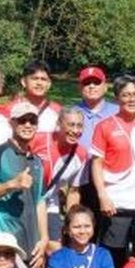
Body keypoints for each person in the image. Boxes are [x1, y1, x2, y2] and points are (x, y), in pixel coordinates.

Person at [91, 73, 135, 264]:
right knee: (113, 258)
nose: (132, 99)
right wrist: (103, 196)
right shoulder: (104, 126)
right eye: (126, 95)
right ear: (117, 97)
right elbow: (96, 163)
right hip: (116, 204)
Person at [0, 102, 48, 268]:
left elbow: (40, 201)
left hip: (30, 244)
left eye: (32, 121)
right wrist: (11, 184)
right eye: (22, 120)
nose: (28, 125)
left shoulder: (37, 161)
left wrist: (43, 239)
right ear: (12, 123)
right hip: (2, 244)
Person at [31, 105, 88, 245]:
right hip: (25, 202)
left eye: (79, 126)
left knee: (54, 248)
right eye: (71, 125)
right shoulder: (37, 139)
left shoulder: (81, 153)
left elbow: (74, 192)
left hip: (49, 203)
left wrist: (71, 222)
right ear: (58, 124)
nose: (75, 131)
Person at [75, 64, 119, 212]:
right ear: (80, 88)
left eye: (96, 82)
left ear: (105, 87)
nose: (92, 86)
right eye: (87, 83)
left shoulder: (117, 112)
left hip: (111, 178)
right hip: (79, 179)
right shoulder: (72, 112)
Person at [8, 59, 60, 135]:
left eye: (43, 79)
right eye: (34, 78)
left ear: (49, 84)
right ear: (23, 82)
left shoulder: (58, 111)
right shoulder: (10, 110)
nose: (39, 83)